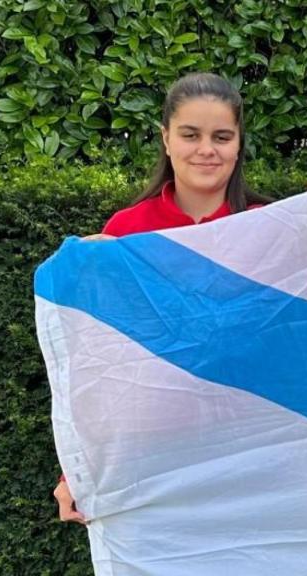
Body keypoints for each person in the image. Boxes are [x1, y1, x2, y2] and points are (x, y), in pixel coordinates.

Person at [54, 72, 267, 523]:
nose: (206, 149)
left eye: (221, 137)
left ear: (238, 144)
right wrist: (76, 472)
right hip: (155, 455)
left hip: (256, 449)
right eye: (191, 135)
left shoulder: (272, 228)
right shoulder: (124, 234)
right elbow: (98, 365)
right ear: (166, 139)